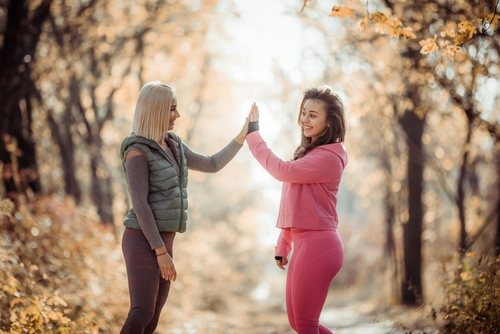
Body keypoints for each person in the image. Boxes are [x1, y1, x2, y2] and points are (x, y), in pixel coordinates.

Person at [119, 80, 249, 334]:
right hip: (142, 239)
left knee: (153, 318)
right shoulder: (136, 152)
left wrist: (242, 136)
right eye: (172, 109)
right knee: (142, 311)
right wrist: (159, 252)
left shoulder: (174, 145)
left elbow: (212, 164)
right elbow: (141, 205)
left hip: (165, 241)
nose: (177, 115)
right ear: (156, 111)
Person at [246, 86, 347, 334]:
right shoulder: (309, 156)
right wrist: (284, 244)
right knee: (298, 323)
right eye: (304, 112)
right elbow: (296, 205)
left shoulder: (329, 158)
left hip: (319, 244)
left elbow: (282, 171)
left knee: (305, 324)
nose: (305, 119)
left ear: (329, 122)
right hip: (306, 242)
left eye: (313, 115)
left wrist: (253, 136)